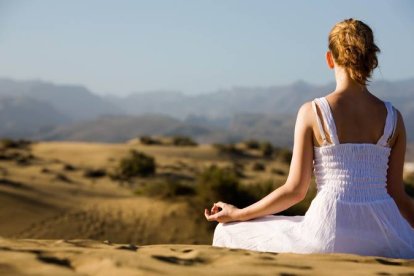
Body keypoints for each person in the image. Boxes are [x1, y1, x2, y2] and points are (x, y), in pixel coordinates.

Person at [204, 18, 414, 259]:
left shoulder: (312, 112)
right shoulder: (393, 118)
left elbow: (295, 191)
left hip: (328, 234)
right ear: (371, 61)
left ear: (329, 59)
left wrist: (237, 214)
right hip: (384, 236)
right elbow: (398, 195)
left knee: (229, 231)